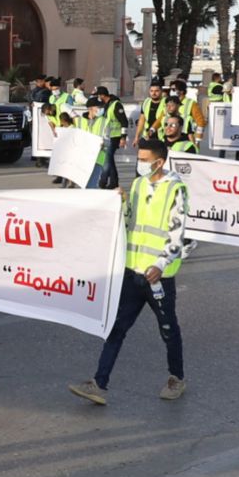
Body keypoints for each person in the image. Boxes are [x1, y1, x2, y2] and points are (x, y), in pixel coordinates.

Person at [68, 138, 187, 404]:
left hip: (158, 277)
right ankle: (99, 384)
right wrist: (120, 204)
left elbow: (176, 234)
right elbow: (130, 221)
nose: (140, 163)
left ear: (160, 161)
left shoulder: (175, 189)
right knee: (116, 328)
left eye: (145, 159)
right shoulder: (137, 185)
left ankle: (176, 378)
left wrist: (160, 264)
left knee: (168, 329)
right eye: (139, 158)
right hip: (132, 274)